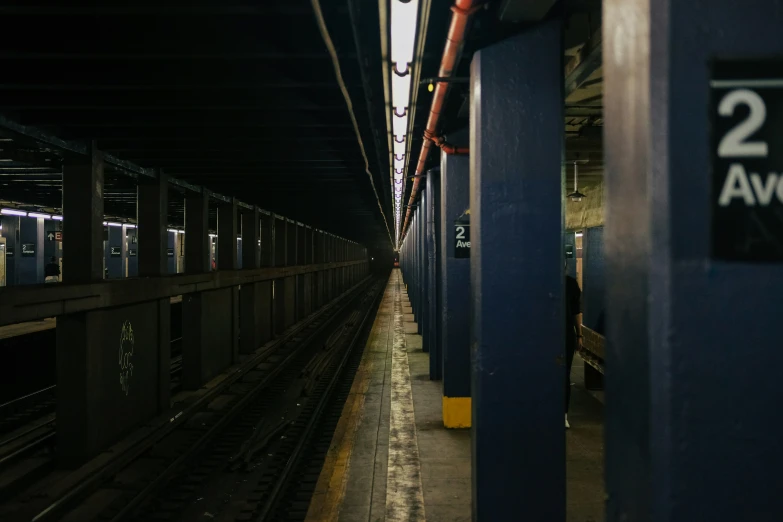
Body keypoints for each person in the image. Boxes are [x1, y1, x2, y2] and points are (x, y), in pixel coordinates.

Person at [565, 265, 583, 429]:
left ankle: (562, 413)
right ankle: (563, 414)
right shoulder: (570, 283)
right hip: (566, 334)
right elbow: (576, 312)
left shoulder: (570, 284)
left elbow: (576, 311)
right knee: (564, 375)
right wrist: (579, 335)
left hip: (562, 335)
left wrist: (579, 335)